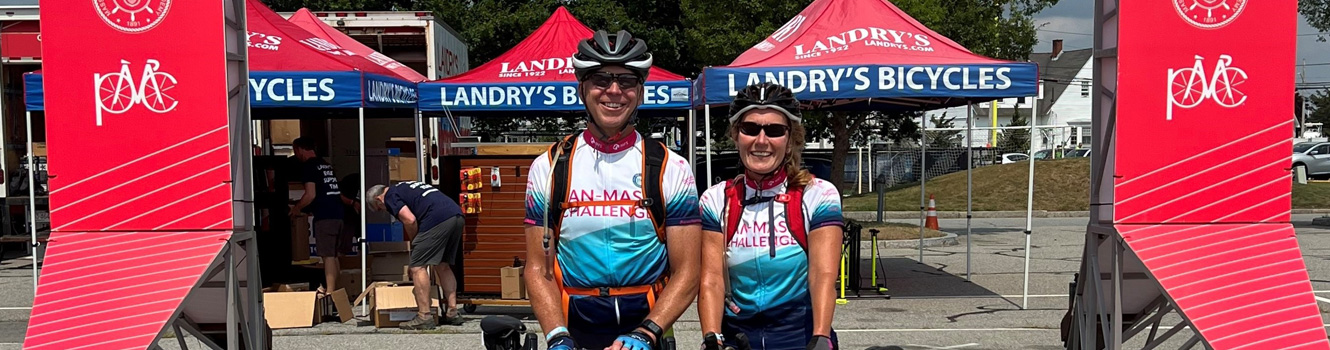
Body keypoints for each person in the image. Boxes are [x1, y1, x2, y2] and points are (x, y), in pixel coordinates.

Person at [524, 29, 701, 350]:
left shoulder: (670, 167)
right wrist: (556, 335)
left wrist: (647, 333)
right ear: (582, 88)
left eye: (627, 81)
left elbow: (688, 271)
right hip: (575, 327)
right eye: (601, 79)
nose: (614, 90)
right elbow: (538, 268)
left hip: (649, 326)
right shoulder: (549, 167)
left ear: (641, 91)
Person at [697, 83, 843, 350]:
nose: (761, 141)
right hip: (737, 337)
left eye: (774, 131)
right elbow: (711, 278)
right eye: (750, 129)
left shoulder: (817, 194)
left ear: (791, 141)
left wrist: (821, 335)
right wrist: (712, 336)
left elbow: (822, 274)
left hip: (800, 335)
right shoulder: (716, 199)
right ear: (735, 135)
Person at [366, 181, 466, 329]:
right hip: (456, 215)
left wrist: (415, 243)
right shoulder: (404, 187)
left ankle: (424, 316)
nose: (385, 210)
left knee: (417, 267)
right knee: (442, 265)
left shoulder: (389, 196)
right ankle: (452, 311)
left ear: (378, 200)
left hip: (437, 219)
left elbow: (409, 219)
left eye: (380, 209)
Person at [289, 137, 346, 297]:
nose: (295, 154)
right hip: (338, 214)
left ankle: (330, 293)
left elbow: (310, 194)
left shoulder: (309, 167)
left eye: (295, 151)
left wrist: (297, 208)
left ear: (300, 149)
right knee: (333, 255)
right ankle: (337, 291)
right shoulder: (326, 165)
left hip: (325, 216)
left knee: (327, 256)